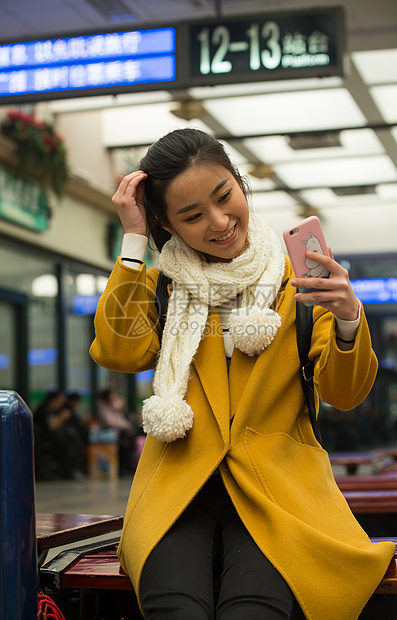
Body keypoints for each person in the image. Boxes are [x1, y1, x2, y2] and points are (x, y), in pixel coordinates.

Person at [90, 128, 394, 620]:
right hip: (179, 489)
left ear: (239, 181)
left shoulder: (300, 284)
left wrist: (347, 317)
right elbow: (118, 351)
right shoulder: (159, 285)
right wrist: (132, 240)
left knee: (254, 610)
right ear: (166, 224)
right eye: (191, 216)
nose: (219, 221)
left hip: (279, 491)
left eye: (224, 196)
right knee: (174, 610)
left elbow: (345, 392)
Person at [96, 389, 136, 475]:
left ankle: (126, 467)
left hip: (120, 431)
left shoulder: (114, 406)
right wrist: (125, 425)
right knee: (123, 447)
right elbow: (110, 422)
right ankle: (120, 468)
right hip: (111, 433)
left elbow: (120, 414)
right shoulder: (103, 408)